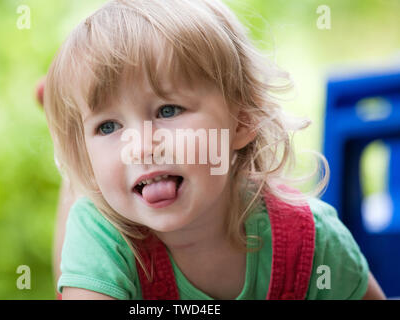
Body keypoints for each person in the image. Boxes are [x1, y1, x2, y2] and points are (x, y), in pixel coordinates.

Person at [39, 0, 385, 299]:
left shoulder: (313, 241)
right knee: (82, 218)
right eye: (108, 126)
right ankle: (75, 174)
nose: (140, 147)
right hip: (100, 233)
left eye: (168, 110)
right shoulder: (102, 233)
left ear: (243, 120)